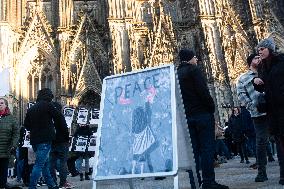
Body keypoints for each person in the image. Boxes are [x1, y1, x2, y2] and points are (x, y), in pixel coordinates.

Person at [177, 48, 229, 189]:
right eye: (195, 57)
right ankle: (208, 182)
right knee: (207, 149)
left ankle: (194, 182)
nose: (197, 60)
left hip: (187, 118)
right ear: (189, 59)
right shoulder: (194, 70)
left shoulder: (176, 74)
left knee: (192, 152)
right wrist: (211, 108)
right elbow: (203, 91)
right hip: (201, 115)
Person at [253, 37, 284, 185]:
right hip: (273, 110)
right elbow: (263, 87)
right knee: (279, 141)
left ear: (270, 49)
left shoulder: (281, 61)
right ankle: (283, 174)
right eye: (258, 49)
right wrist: (256, 82)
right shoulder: (262, 67)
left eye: (262, 49)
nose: (260, 52)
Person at [236, 53, 269, 182]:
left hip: (274, 111)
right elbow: (241, 95)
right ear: (250, 62)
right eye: (256, 58)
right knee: (261, 142)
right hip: (258, 113)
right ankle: (262, 172)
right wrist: (252, 106)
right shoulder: (243, 78)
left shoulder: (267, 72)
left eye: (260, 57)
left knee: (279, 139)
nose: (259, 59)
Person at [24, 88, 61, 189]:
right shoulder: (48, 105)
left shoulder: (31, 108)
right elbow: (58, 116)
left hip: (35, 141)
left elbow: (26, 125)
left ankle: (51, 185)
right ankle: (32, 187)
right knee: (39, 164)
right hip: (45, 139)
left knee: (44, 164)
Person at [49, 102, 73, 189]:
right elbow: (64, 129)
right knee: (63, 162)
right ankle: (63, 183)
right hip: (62, 142)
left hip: (52, 142)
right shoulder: (60, 116)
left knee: (51, 163)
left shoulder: (49, 118)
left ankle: (53, 182)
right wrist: (67, 139)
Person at [0, 97, 19, 188]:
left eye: (2, 103)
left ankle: (3, 185)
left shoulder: (11, 118)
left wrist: (13, 145)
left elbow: (16, 133)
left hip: (5, 149)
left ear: (6, 105)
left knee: (3, 169)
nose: (0, 104)